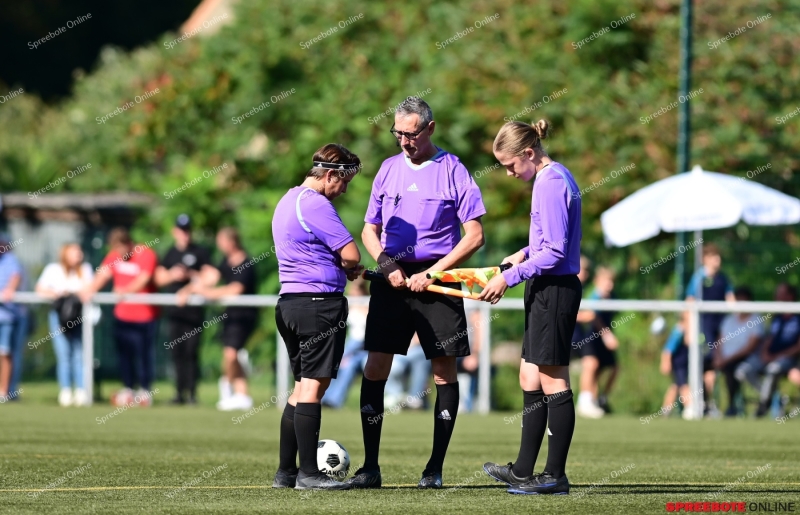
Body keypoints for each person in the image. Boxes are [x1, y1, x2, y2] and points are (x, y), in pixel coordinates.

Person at [346, 97, 486, 490]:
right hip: (393, 278)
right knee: (375, 367)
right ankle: (370, 467)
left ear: (430, 129)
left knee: (444, 372)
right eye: (398, 133)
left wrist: (433, 273)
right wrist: (387, 266)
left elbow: (474, 235)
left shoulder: (453, 169)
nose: (403, 141)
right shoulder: (388, 169)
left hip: (439, 280)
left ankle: (434, 468)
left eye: (410, 134)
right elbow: (369, 229)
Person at [480, 119, 582, 495]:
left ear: (528, 152)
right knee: (529, 376)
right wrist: (520, 255)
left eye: (510, 165)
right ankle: (523, 471)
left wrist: (509, 277)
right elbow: (547, 242)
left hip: (555, 290)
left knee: (554, 380)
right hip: (543, 287)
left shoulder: (552, 181)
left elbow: (556, 251)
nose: (508, 173)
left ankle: (554, 475)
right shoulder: (550, 178)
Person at [271, 143, 362, 490]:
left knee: (301, 388)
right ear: (329, 175)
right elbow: (351, 254)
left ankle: (286, 472)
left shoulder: (287, 199)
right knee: (312, 387)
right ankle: (309, 473)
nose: (344, 190)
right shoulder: (316, 204)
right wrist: (349, 266)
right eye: (344, 182)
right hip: (317, 305)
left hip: (291, 304)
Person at [180, 227, 258, 411]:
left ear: (231, 242)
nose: (219, 245)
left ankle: (227, 387)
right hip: (230, 316)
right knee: (231, 355)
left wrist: (208, 293)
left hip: (244, 317)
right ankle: (242, 394)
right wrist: (188, 288)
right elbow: (211, 277)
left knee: (231, 354)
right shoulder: (225, 261)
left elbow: (235, 289)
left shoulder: (246, 263)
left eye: (221, 241)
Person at [82, 228, 158, 406]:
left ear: (129, 243)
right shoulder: (114, 256)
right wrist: (88, 291)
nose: (119, 253)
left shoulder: (146, 254)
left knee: (144, 354)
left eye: (121, 248)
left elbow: (144, 278)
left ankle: (145, 390)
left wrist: (125, 291)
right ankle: (128, 388)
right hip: (123, 316)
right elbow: (102, 275)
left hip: (145, 316)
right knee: (125, 355)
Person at [154, 215, 215, 405]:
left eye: (187, 230)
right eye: (181, 230)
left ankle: (192, 393)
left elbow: (211, 277)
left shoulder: (200, 252)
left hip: (193, 313)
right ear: (175, 232)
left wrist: (190, 278)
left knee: (191, 352)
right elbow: (159, 278)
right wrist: (173, 275)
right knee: (177, 353)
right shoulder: (170, 253)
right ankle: (179, 393)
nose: (184, 234)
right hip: (175, 313)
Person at [35, 243, 94, 406]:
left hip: (79, 316)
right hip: (59, 316)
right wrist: (58, 294)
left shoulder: (86, 269)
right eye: (74, 251)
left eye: (79, 251)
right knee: (64, 354)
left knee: (79, 354)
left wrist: (74, 294)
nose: (79, 254)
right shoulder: (53, 269)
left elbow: (89, 290)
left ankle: (81, 391)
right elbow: (40, 289)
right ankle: (66, 390)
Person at [734, 283, 800, 417]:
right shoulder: (777, 318)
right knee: (742, 371)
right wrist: (765, 354)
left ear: (790, 296)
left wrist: (777, 356)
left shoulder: (797, 317)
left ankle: (764, 405)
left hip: (787, 359)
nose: (776, 297)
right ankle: (775, 398)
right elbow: (769, 339)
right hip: (770, 356)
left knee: (773, 369)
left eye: (780, 294)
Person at [685, 243, 735, 417]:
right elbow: (689, 302)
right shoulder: (698, 278)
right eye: (714, 256)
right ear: (705, 259)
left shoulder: (723, 279)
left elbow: (732, 301)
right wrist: (689, 330)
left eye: (718, 256)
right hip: (703, 329)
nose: (718, 260)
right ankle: (700, 403)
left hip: (720, 329)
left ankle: (711, 404)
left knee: (715, 367)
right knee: (702, 366)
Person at [712, 287, 765, 417]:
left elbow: (750, 347)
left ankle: (733, 405)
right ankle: (704, 405)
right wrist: (718, 357)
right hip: (724, 359)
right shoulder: (729, 320)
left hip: (743, 358)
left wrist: (726, 360)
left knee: (733, 370)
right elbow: (719, 340)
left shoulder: (756, 319)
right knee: (701, 366)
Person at [576, 266, 619, 419]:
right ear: (598, 281)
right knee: (591, 366)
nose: (610, 284)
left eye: (611, 281)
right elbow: (592, 316)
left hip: (602, 339)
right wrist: (607, 334)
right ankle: (584, 401)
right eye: (607, 281)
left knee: (613, 368)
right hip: (592, 338)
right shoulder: (595, 296)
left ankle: (599, 399)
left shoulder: (612, 296)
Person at [321, 278, 369, 409]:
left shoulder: (368, 306)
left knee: (348, 366)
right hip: (350, 344)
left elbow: (363, 337)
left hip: (363, 347)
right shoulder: (349, 305)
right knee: (334, 364)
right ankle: (323, 398)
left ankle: (334, 401)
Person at [0, 235, 24, 400]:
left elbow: (16, 276)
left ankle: (4, 392)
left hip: (6, 316)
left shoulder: (10, 260)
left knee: (5, 352)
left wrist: (9, 290)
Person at [659, 319, 695, 419]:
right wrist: (665, 361)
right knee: (683, 385)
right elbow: (668, 348)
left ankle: (666, 410)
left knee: (675, 386)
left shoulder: (692, 326)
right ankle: (690, 407)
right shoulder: (679, 329)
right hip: (678, 363)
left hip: (684, 363)